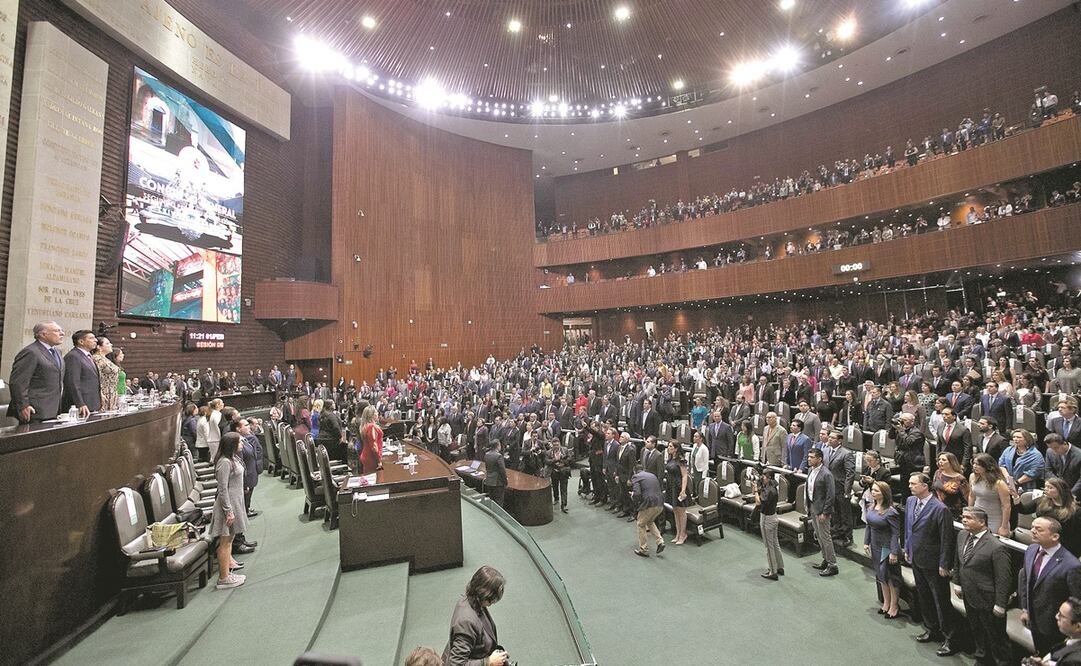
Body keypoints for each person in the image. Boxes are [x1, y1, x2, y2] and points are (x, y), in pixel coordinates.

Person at [952, 507, 1013, 666]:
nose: (964, 520)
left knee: (996, 638)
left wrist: (1000, 604)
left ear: (982, 522)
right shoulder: (962, 535)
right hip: (969, 595)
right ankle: (982, 660)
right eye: (963, 517)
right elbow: (958, 562)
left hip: (988, 600)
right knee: (977, 631)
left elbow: (1003, 579)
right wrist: (957, 583)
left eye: (969, 518)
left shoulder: (996, 546)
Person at [904, 472, 957, 656]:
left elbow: (947, 540)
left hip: (934, 563)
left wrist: (944, 564)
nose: (910, 486)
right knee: (924, 597)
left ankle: (950, 638)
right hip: (917, 558)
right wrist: (907, 549)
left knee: (941, 601)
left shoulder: (940, 509)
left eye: (913, 484)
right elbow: (908, 528)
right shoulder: (911, 501)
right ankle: (931, 629)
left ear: (925, 486)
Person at [1019, 517, 1081, 656]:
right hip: (1033, 620)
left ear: (1055, 536)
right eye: (1032, 527)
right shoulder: (1031, 550)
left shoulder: (1071, 565)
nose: (1032, 531)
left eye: (1038, 529)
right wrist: (1025, 608)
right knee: (1040, 654)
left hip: (1056, 627)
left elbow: (1076, 602)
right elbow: (1026, 582)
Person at [442, 565, 508, 666]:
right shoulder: (466, 621)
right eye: (492, 597)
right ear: (484, 593)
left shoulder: (473, 601)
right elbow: (456, 664)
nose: (493, 601)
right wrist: (487, 662)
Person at [208, 432, 248, 589]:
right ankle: (223, 578)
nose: (242, 444)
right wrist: (228, 511)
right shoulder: (224, 462)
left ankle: (227, 572)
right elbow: (222, 489)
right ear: (232, 444)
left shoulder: (232, 458)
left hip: (235, 501)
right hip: (228, 505)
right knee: (225, 541)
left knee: (229, 539)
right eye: (239, 442)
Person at [7, 321, 65, 422]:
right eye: (57, 331)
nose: (62, 333)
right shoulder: (31, 352)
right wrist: (23, 406)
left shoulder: (57, 352)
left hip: (54, 409)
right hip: (34, 410)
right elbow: (18, 382)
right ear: (43, 334)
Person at [863, 480, 901, 617]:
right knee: (881, 576)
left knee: (890, 577)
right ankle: (886, 602)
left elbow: (896, 534)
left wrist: (893, 552)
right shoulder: (870, 507)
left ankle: (894, 605)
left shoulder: (891, 512)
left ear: (884, 494)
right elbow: (868, 526)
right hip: (875, 546)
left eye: (876, 491)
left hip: (887, 548)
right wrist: (866, 542)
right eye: (872, 490)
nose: (873, 492)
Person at [806, 448, 838, 576]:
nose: (809, 459)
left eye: (812, 457)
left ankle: (833, 564)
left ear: (819, 459)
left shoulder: (826, 474)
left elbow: (831, 495)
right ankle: (825, 559)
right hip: (813, 507)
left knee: (825, 537)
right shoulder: (810, 470)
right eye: (808, 456)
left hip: (822, 511)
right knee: (818, 536)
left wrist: (825, 512)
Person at [822, 429, 854, 546]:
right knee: (834, 511)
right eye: (829, 437)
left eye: (833, 438)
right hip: (829, 487)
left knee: (844, 513)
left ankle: (847, 536)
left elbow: (850, 473)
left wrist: (847, 490)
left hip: (841, 487)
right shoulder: (825, 451)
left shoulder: (846, 453)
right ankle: (836, 531)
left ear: (839, 441)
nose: (830, 439)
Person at [969, 452, 1012, 537]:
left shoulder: (999, 483)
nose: (975, 466)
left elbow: (1006, 506)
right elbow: (971, 496)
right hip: (977, 516)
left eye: (978, 464)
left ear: (987, 466)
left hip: (994, 518)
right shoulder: (972, 477)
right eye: (974, 463)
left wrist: (1004, 526)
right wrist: (969, 511)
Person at [1038, 478, 1081, 556]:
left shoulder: (1076, 511)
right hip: (1043, 543)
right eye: (1045, 487)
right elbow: (1023, 509)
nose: (1046, 489)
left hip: (1064, 549)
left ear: (1060, 490)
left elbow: (1077, 537)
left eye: (1050, 487)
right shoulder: (1042, 501)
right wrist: (1016, 497)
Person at [62, 329, 100, 417]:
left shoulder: (88, 356)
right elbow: (73, 382)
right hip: (81, 404)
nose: (96, 340)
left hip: (92, 401)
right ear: (81, 341)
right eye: (91, 338)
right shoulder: (73, 356)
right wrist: (80, 403)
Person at [755, 466, 785, 580]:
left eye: (764, 476)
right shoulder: (773, 487)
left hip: (767, 519)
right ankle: (780, 566)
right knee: (775, 544)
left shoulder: (770, 491)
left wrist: (755, 491)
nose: (762, 478)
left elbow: (758, 502)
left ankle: (773, 571)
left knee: (769, 546)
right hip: (773, 517)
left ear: (768, 477)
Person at [630, 464, 666, 557]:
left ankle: (643, 549)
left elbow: (637, 493)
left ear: (635, 471)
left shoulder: (636, 477)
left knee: (640, 524)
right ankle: (660, 541)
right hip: (660, 503)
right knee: (649, 521)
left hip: (649, 503)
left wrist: (633, 496)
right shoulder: (652, 475)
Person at [1001, 428, 1045, 493]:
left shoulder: (1035, 454)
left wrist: (1017, 482)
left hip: (1026, 486)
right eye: (1014, 437)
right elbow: (1001, 464)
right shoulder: (1008, 450)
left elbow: (1034, 471)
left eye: (1019, 437)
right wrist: (1008, 479)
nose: (1015, 439)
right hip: (1008, 484)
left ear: (1027, 439)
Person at [665, 442, 691, 545]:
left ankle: (683, 534)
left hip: (679, 487)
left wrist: (683, 490)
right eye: (668, 446)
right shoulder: (670, 459)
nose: (668, 448)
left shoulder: (681, 460)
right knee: (675, 510)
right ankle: (678, 533)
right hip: (671, 487)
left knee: (681, 511)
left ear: (676, 449)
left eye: (671, 446)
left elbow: (684, 476)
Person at [932, 452, 969, 520]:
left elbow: (966, 498)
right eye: (939, 459)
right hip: (936, 509)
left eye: (943, 460)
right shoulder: (938, 473)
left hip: (952, 513)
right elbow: (933, 490)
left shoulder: (960, 479)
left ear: (951, 462)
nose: (940, 461)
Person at [1046, 432, 1081, 501]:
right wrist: (1057, 485)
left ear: (1064, 443)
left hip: (1076, 493)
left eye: (1056, 448)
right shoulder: (1050, 451)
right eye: (1051, 448)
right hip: (1057, 492)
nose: (1054, 451)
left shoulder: (1079, 455)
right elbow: (1048, 470)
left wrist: (1072, 494)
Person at [91, 337, 120, 411]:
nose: (111, 344)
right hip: (105, 392)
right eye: (107, 343)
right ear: (99, 347)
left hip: (112, 391)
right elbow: (96, 376)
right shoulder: (97, 359)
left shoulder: (105, 358)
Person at [545, 436, 572, 514]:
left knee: (564, 489)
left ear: (560, 444)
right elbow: (546, 461)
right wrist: (555, 460)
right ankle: (556, 499)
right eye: (555, 445)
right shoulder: (549, 452)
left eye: (557, 445)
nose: (556, 447)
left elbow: (570, 459)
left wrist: (563, 461)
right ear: (552, 445)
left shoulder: (565, 450)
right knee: (555, 487)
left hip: (564, 472)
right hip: (554, 472)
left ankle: (564, 505)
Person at [357, 405, 384, 475]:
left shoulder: (365, 426)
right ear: (372, 415)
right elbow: (374, 446)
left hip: (366, 455)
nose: (377, 413)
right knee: (373, 480)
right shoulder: (371, 427)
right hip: (371, 458)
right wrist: (379, 460)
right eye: (376, 412)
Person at [483, 440, 507, 507]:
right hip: (497, 482)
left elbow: (487, 467)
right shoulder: (498, 456)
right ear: (497, 446)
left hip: (489, 480)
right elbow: (502, 470)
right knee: (499, 502)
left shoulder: (486, 454)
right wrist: (505, 481)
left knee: (492, 500)